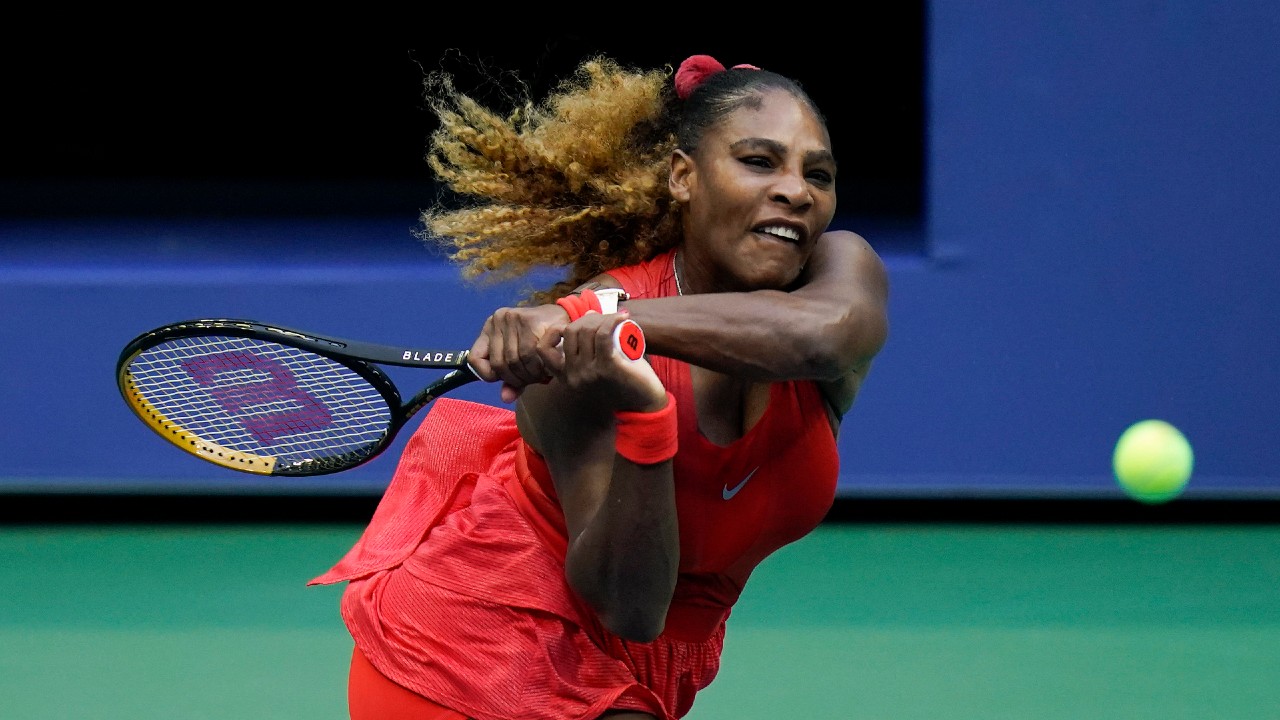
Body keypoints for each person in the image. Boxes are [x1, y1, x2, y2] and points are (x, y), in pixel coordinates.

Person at [310, 52, 889, 720]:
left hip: (645, 666)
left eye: (818, 174)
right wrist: (645, 417)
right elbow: (629, 607)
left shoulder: (839, 276)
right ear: (683, 176)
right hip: (473, 651)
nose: (796, 190)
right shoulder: (580, 368)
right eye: (759, 162)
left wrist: (596, 318)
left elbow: (819, 337)